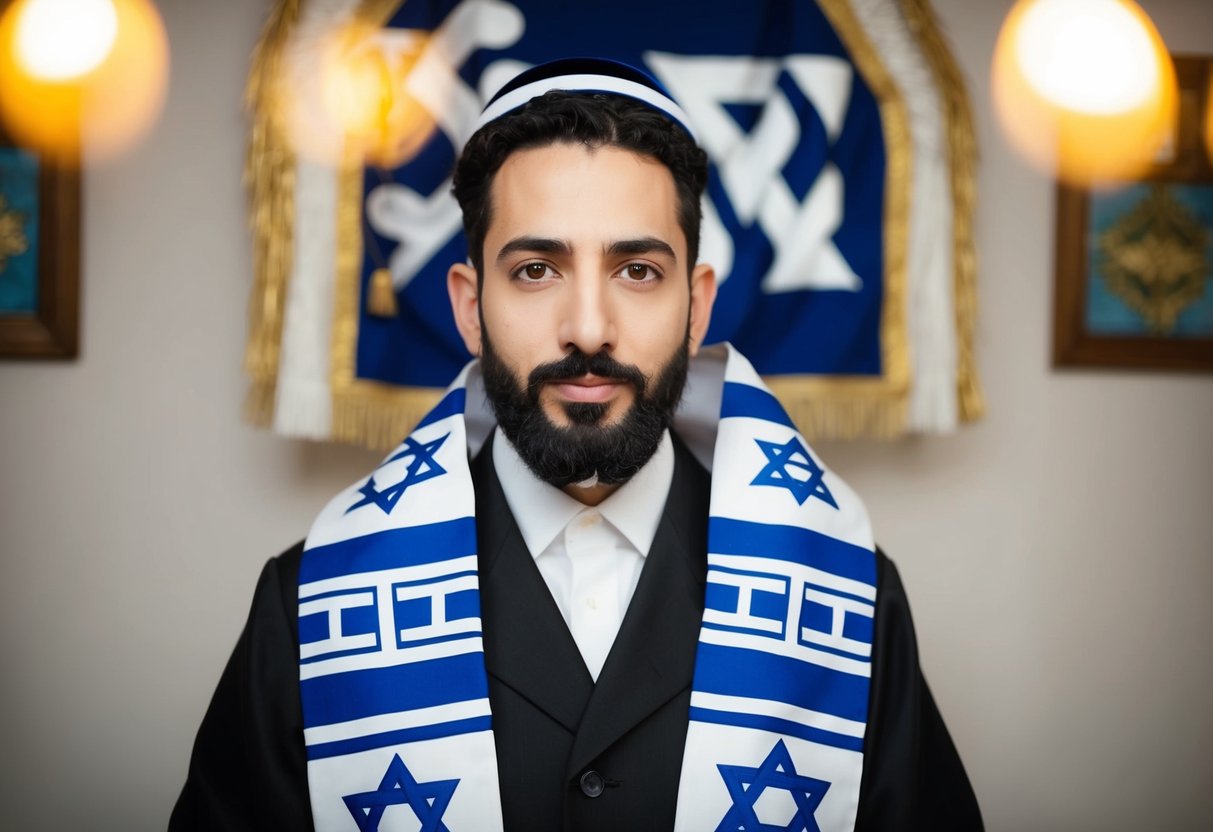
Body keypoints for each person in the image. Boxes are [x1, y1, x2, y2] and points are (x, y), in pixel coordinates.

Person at [170, 58, 982, 831]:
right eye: (534, 270)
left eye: (636, 271)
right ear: (468, 305)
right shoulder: (313, 601)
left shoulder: (843, 591)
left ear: (697, 307)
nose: (588, 327)